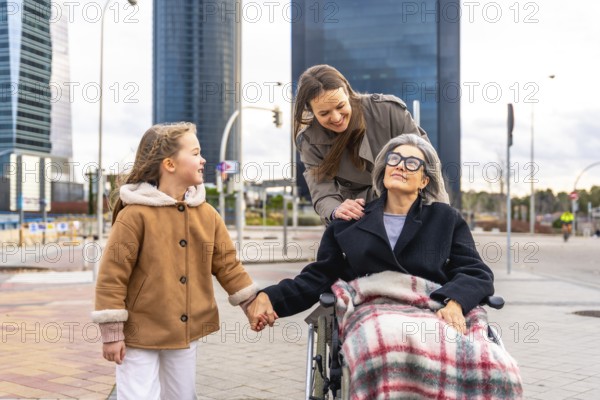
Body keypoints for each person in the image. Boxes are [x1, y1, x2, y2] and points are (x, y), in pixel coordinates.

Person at [248, 134, 522, 398]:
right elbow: (320, 275)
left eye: (412, 162)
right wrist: (270, 297)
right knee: (387, 345)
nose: (401, 165)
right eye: (394, 159)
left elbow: (476, 271)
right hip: (373, 309)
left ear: (424, 180)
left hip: (431, 309)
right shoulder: (351, 220)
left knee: (495, 367)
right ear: (383, 169)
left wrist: (455, 303)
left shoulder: (445, 219)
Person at [91, 122, 258, 399]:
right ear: (170, 164)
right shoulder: (135, 215)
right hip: (138, 335)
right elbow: (112, 276)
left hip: (184, 332)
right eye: (195, 153)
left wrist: (251, 303)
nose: (203, 159)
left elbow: (228, 265)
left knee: (182, 396)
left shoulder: (207, 215)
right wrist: (112, 333)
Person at [293, 64, 448, 223]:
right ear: (311, 111)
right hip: (358, 215)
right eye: (324, 113)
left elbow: (429, 168)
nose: (337, 117)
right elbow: (322, 192)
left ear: (348, 93)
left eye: (340, 106)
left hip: (409, 206)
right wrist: (336, 210)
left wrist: (441, 219)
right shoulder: (309, 141)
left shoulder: (388, 111)